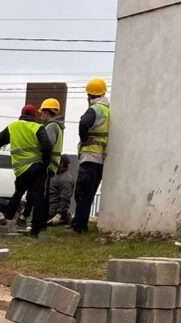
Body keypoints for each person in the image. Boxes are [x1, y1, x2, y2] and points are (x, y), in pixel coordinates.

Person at [0, 103, 55, 239]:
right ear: (33, 115)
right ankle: (35, 231)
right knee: (38, 198)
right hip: (37, 167)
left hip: (21, 170)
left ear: (22, 114)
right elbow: (47, 146)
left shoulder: (13, 127)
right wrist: (45, 163)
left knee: (17, 195)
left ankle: (7, 221)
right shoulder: (38, 127)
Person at [72, 77, 110, 233]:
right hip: (100, 158)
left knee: (82, 192)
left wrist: (84, 138)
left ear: (90, 95)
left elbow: (84, 123)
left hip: (90, 157)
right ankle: (79, 223)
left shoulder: (95, 109)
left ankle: (79, 226)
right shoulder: (107, 109)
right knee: (89, 193)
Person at [48, 157, 75, 225]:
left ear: (62, 164)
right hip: (49, 209)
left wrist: (58, 215)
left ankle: (63, 219)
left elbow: (65, 198)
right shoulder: (55, 175)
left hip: (54, 212)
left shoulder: (66, 179)